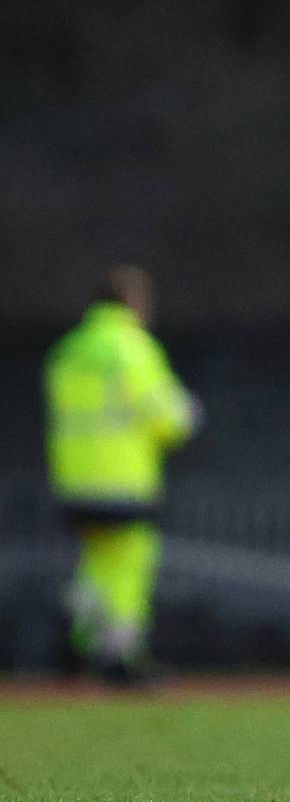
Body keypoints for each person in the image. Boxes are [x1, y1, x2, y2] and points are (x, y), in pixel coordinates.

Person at [44, 265, 200, 684]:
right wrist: (187, 415)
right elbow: (167, 416)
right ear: (133, 302)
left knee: (96, 562)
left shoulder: (70, 350)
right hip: (123, 480)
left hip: (74, 480)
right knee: (130, 562)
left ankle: (78, 633)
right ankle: (120, 654)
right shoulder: (131, 348)